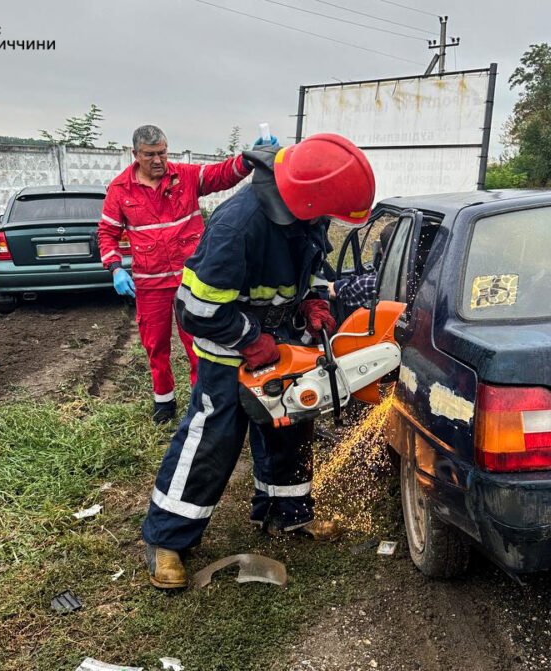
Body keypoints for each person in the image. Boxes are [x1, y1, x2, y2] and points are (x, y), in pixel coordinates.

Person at [140, 133, 376, 589]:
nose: (329, 221)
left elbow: (302, 270)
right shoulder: (238, 226)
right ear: (311, 198)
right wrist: (250, 339)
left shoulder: (303, 211)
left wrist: (310, 302)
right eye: (329, 214)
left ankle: (285, 514)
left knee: (290, 425)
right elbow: (195, 309)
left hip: (282, 342)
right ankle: (167, 538)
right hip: (228, 352)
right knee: (215, 437)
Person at [98, 125, 254, 424]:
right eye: (150, 155)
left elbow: (221, 175)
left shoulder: (186, 176)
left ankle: (203, 403)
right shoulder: (120, 190)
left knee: (199, 344)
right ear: (136, 155)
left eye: (162, 153)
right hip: (149, 284)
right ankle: (164, 402)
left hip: (190, 281)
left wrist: (249, 159)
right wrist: (116, 267)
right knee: (155, 345)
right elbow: (107, 233)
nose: (158, 160)